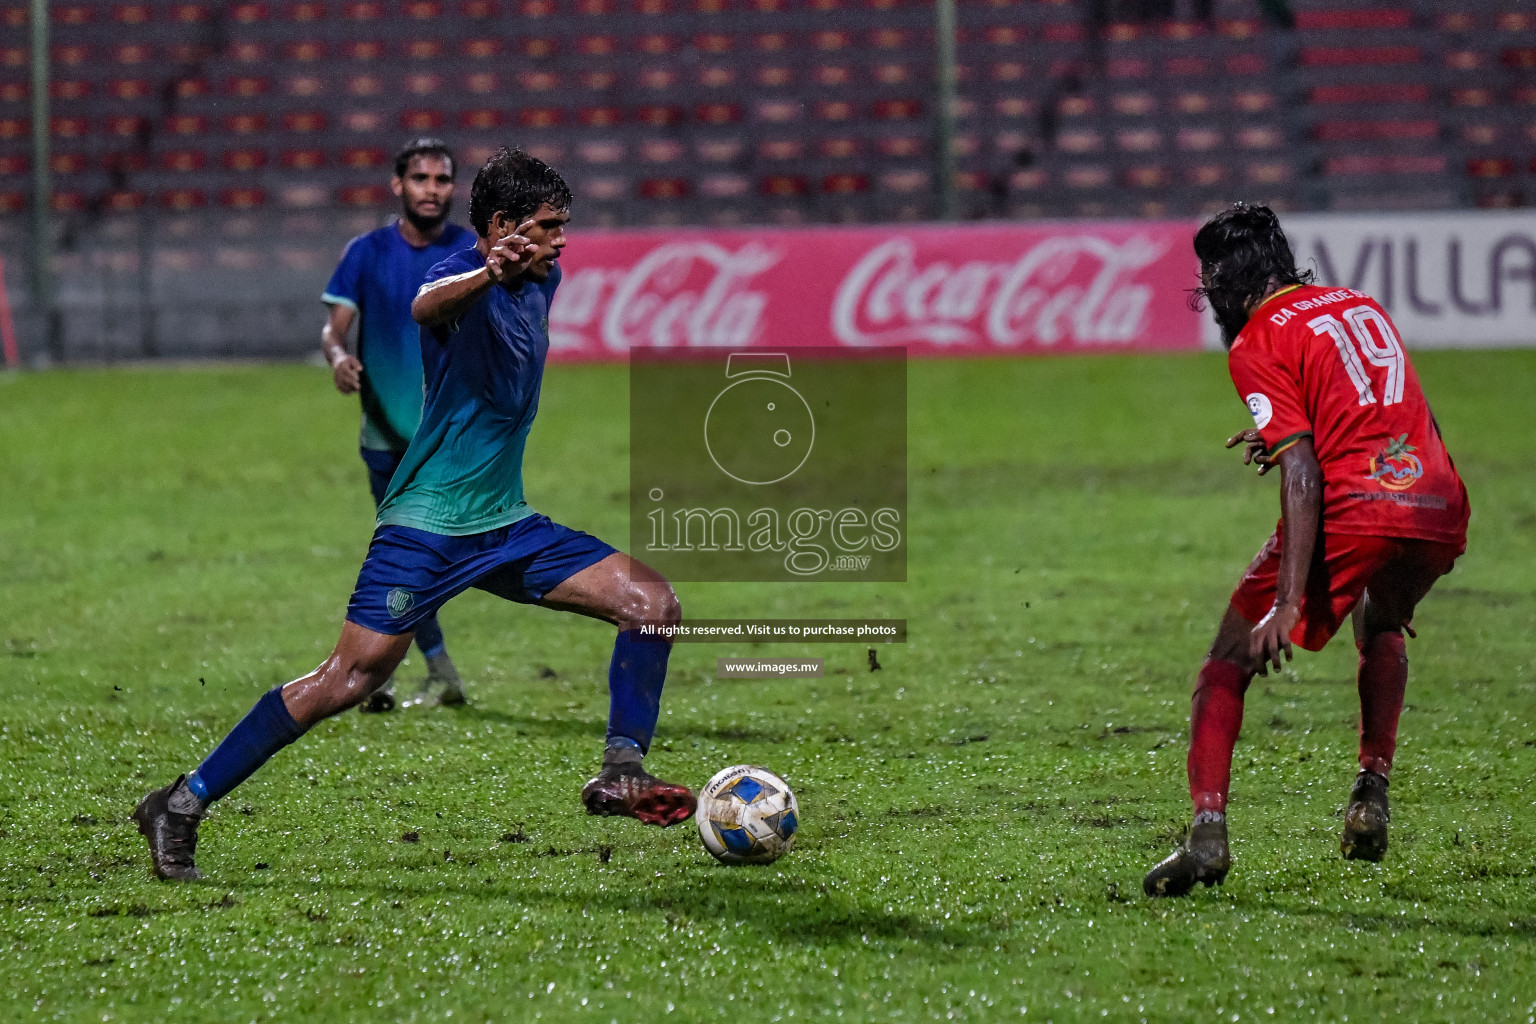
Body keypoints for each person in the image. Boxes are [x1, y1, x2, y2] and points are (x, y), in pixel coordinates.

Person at [132, 148, 696, 882]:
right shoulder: (458, 276)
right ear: (501, 227)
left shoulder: (542, 279)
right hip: (427, 526)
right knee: (349, 678)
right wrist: (487, 270)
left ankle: (622, 771)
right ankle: (180, 803)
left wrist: (513, 266)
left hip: (504, 524)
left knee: (651, 602)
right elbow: (427, 306)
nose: (563, 242)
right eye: (550, 226)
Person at [1143, 203, 1470, 898]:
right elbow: (1406, 410)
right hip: (1438, 497)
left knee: (1227, 659)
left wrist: (1286, 604)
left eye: (1211, 289)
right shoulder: (1357, 303)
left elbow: (1302, 471)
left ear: (1234, 285)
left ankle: (1206, 834)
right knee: (1381, 620)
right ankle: (1370, 793)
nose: (1212, 305)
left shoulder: (1256, 340)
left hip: (1360, 507)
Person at [320, 137, 476, 711]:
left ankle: (395, 672)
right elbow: (335, 328)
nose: (432, 191)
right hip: (383, 436)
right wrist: (338, 358)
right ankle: (425, 670)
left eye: (441, 180)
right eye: (421, 179)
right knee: (410, 556)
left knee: (423, 555)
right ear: (398, 185)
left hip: (448, 439)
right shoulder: (366, 251)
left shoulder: (469, 251)